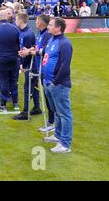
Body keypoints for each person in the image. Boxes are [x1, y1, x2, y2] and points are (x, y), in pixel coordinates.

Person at [41, 17, 73, 153]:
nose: (48, 27)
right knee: (56, 112)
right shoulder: (51, 39)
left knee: (64, 113)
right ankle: (58, 135)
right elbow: (45, 55)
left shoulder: (65, 43)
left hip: (58, 85)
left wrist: (55, 82)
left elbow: (65, 67)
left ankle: (65, 144)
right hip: (48, 82)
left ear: (58, 28)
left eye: (51, 25)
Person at [12, 12, 36, 120]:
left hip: (30, 65)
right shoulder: (23, 32)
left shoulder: (28, 34)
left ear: (21, 20)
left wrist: (23, 64)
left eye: (16, 19)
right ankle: (37, 107)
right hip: (27, 63)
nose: (15, 21)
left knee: (27, 88)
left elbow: (28, 51)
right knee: (32, 87)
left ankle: (26, 112)